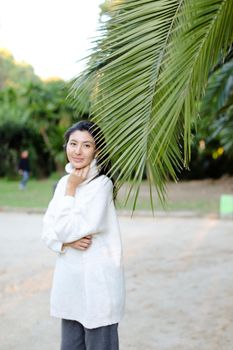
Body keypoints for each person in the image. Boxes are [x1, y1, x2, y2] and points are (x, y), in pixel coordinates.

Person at [42, 120, 125, 350]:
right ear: (66, 146)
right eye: (73, 143)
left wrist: (71, 191)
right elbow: (48, 231)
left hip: (99, 284)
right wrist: (66, 242)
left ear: (97, 150)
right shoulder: (63, 183)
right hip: (70, 286)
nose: (78, 151)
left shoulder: (102, 184)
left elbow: (67, 227)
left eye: (86, 145)